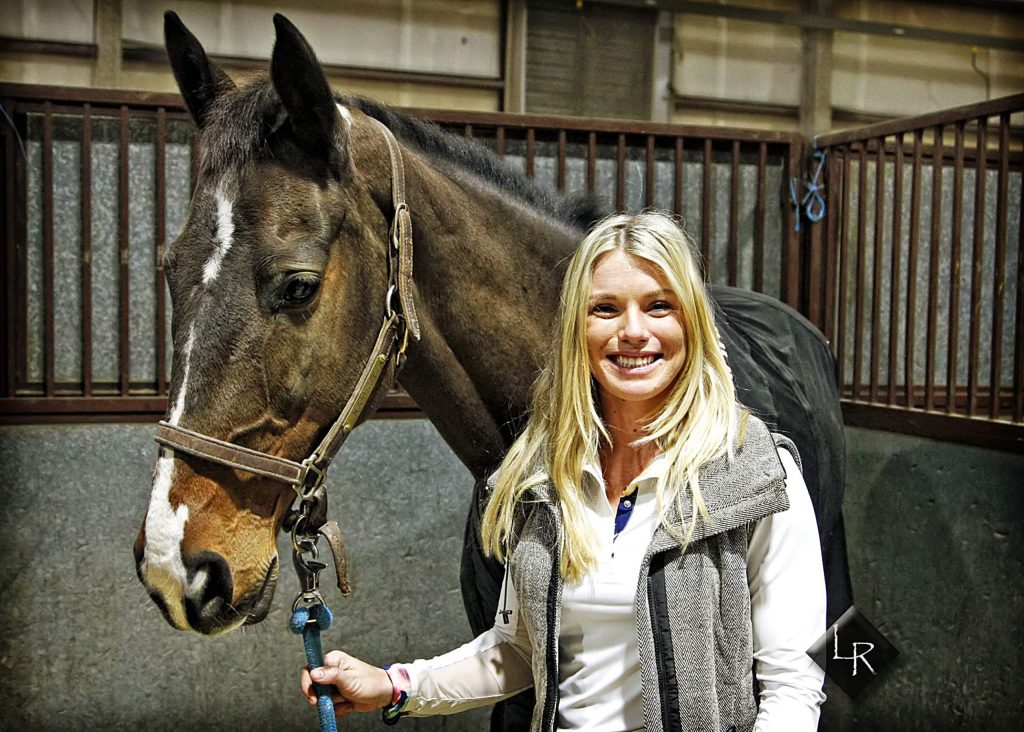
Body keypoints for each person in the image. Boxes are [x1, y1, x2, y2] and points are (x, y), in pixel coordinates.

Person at [300, 211, 827, 731]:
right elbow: (518, 650)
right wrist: (396, 684)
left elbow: (792, 686)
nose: (633, 331)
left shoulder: (755, 473)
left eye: (659, 306)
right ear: (578, 326)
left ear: (691, 322)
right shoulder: (545, 477)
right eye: (605, 308)